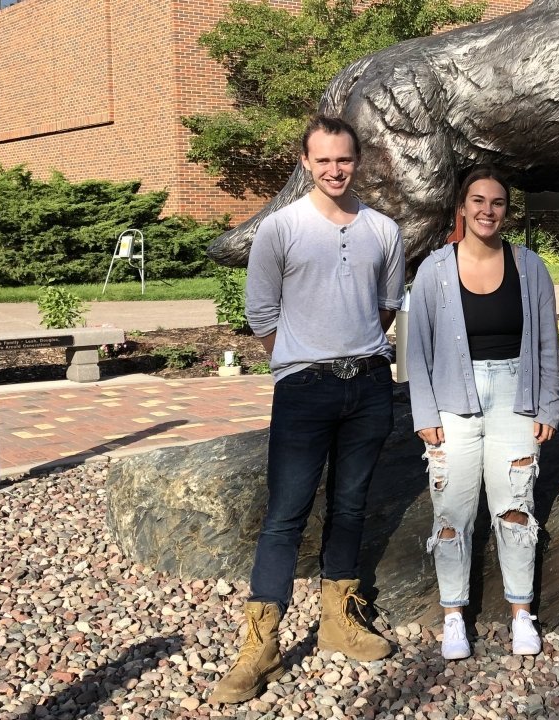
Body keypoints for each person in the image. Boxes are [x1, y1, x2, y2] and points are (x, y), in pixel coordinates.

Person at [211, 115, 404, 705]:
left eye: (343, 159)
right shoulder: (280, 229)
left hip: (369, 385)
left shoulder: (383, 230)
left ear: (358, 161)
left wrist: (353, 354)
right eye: (323, 161)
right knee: (285, 515)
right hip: (304, 391)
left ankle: (337, 622)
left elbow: (387, 307)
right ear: (305, 163)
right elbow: (262, 314)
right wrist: (301, 361)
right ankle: (260, 645)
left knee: (350, 506)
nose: (334, 170)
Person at [407, 166, 559, 661]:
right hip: (453, 399)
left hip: (516, 396)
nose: (486, 210)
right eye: (477, 200)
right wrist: (423, 410)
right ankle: (454, 615)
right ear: (461, 206)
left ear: (506, 211)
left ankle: (522, 613)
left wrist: (550, 404)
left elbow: (546, 343)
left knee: (515, 507)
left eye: (497, 202)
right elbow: (417, 347)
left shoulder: (529, 266)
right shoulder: (434, 268)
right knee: (450, 510)